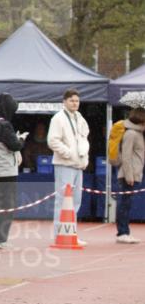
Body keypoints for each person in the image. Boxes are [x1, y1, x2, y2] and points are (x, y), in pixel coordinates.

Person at [47, 88, 90, 245]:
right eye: (72, 100)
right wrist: (68, 153)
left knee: (76, 201)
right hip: (65, 164)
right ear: (64, 101)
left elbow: (84, 138)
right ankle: (59, 234)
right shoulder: (58, 118)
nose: (75, 103)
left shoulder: (79, 117)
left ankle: (70, 232)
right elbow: (52, 140)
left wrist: (84, 157)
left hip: (78, 165)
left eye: (77, 101)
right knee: (63, 200)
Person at [0, 93, 26, 249]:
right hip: (7, 171)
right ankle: (1, 239)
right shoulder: (5, 125)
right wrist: (21, 138)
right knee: (7, 206)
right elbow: (15, 145)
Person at [115, 107, 145, 245]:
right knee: (124, 204)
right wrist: (129, 175)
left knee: (126, 204)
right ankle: (122, 232)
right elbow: (126, 156)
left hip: (133, 174)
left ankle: (124, 232)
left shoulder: (138, 133)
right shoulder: (131, 134)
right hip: (128, 175)